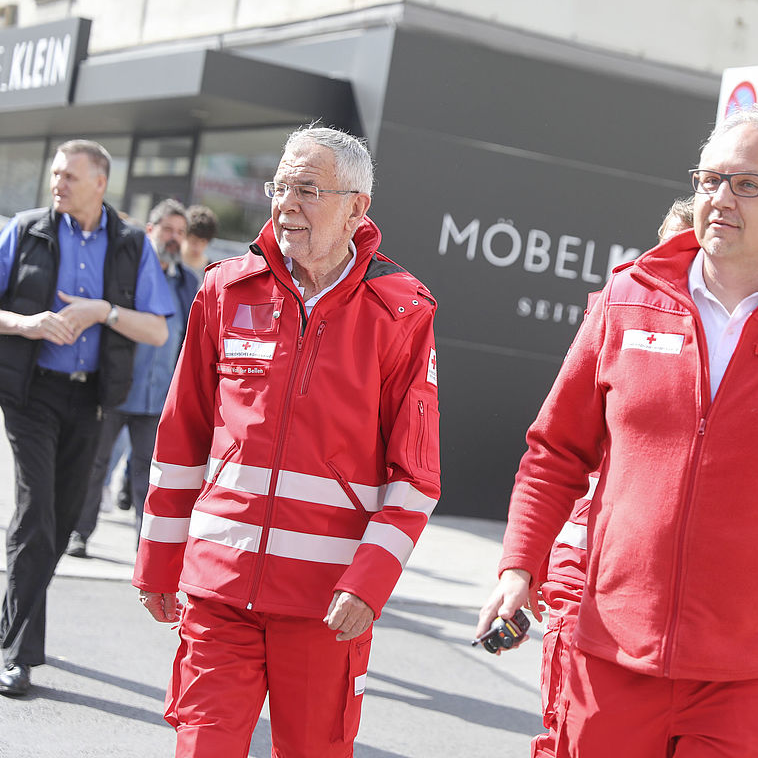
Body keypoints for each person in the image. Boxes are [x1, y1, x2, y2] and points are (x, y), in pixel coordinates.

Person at [478, 105, 758, 757]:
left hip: (752, 677)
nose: (720, 198)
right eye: (708, 180)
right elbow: (555, 451)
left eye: (747, 183)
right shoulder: (627, 297)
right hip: (612, 651)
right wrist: (518, 567)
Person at [132, 125, 441, 757]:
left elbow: (416, 470)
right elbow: (182, 432)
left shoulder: (402, 311)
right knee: (203, 747)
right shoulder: (224, 289)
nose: (287, 204)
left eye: (308, 189)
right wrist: (159, 557)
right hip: (219, 586)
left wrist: (371, 579)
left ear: (357, 208)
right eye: (280, 186)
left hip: (326, 601)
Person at [0, 140, 173, 697]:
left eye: (69, 175)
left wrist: (104, 312)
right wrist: (27, 325)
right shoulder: (25, 230)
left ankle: (18, 628)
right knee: (37, 512)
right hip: (30, 395)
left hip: (92, 400)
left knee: (66, 513)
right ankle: (15, 652)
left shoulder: (128, 244)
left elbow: (158, 330)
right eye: (54, 173)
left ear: (101, 182)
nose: (58, 182)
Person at [529, 197, 694, 758]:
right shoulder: (619, 312)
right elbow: (556, 450)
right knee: (564, 736)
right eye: (669, 244)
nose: (678, 259)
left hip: (676, 613)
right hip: (589, 577)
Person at [67, 199, 201, 558]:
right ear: (150, 231)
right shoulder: (130, 271)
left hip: (159, 398)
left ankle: (147, 546)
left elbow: (192, 336)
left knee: (151, 473)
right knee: (96, 465)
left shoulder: (188, 282)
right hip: (116, 389)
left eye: (180, 232)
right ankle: (79, 533)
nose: (174, 238)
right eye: (168, 230)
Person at [181, 204, 218, 274]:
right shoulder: (169, 262)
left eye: (203, 242)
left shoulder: (211, 271)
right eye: (194, 241)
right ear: (185, 235)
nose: (198, 247)